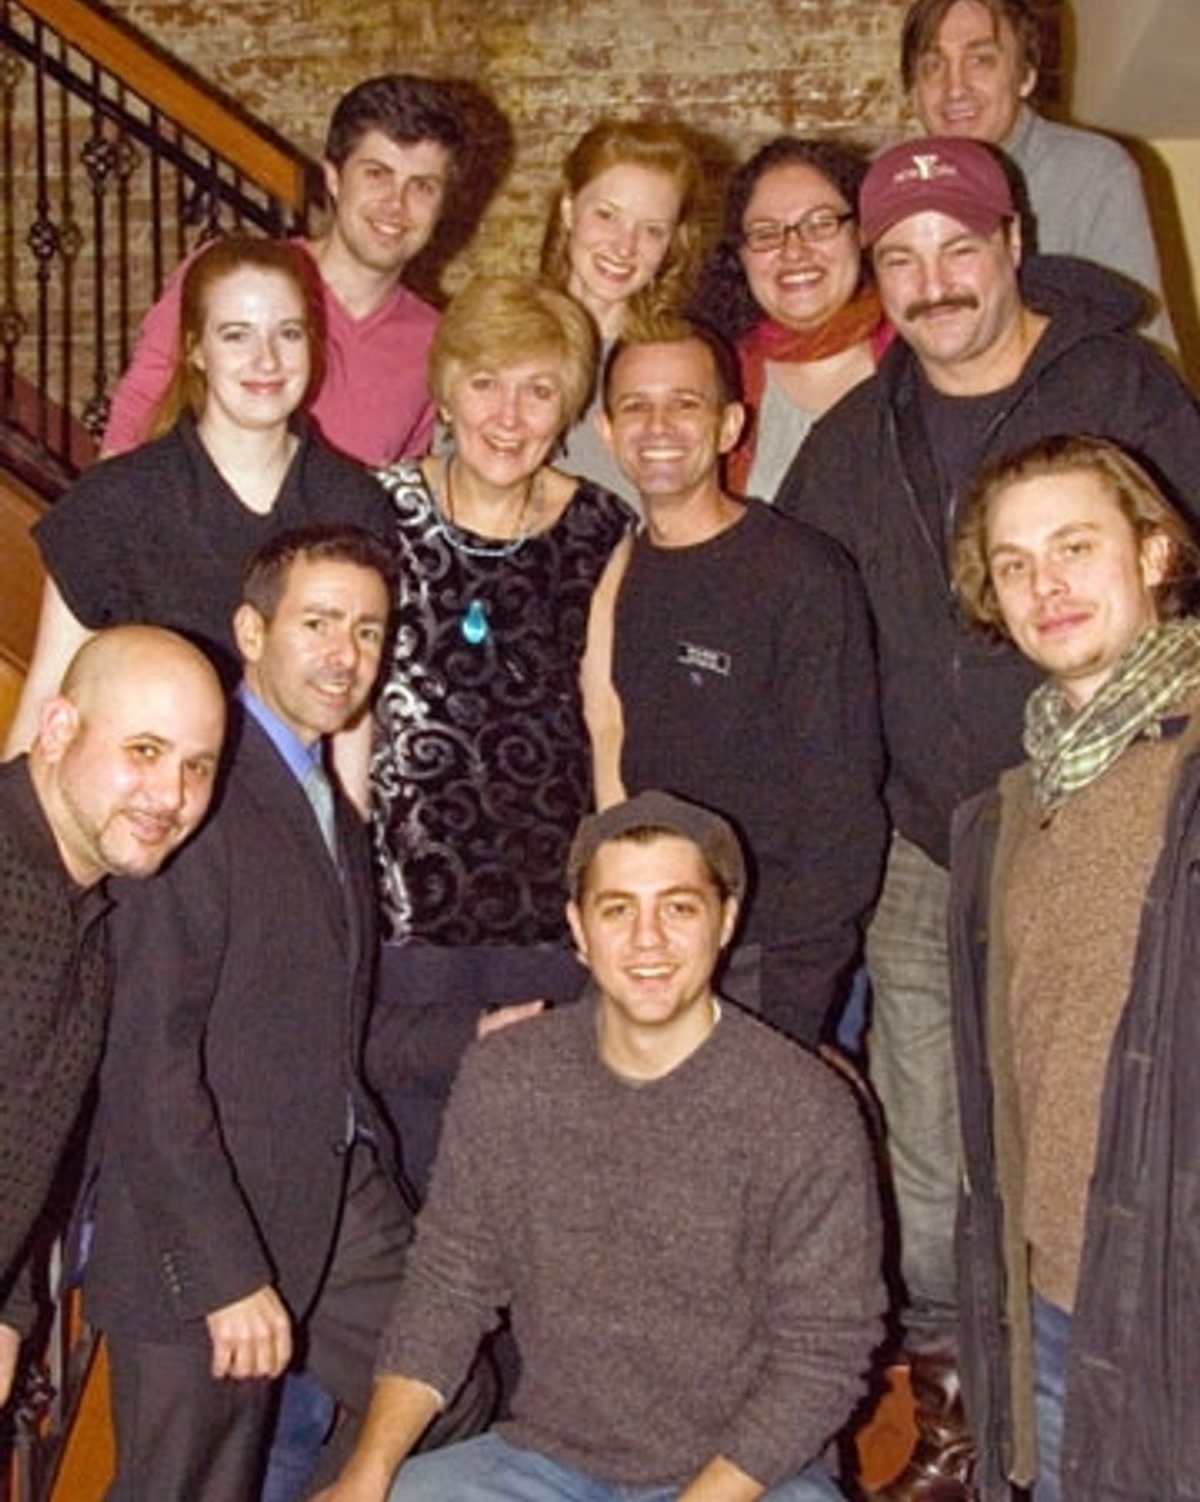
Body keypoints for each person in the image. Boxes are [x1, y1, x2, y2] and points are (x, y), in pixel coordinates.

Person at [775, 135, 1200, 1500]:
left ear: (1013, 239)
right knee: (954, 1146)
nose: (933, 280)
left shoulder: (1122, 386)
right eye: (899, 258)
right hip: (935, 851)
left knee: (1131, 1118)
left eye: (958, 246)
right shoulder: (852, 439)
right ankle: (978, 1414)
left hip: (1125, 808)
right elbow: (801, 636)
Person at [312, 789, 885, 1502]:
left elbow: (823, 1357)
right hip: (547, 1464)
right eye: (618, 910)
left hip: (748, 1477)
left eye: (678, 908)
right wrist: (368, 1475)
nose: (648, 940)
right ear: (578, 930)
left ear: (726, 922)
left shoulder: (802, 1108)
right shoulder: (510, 1076)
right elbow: (448, 1288)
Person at [84, 527, 489, 1502]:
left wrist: (475, 1037)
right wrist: (224, 1273)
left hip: (333, 1191)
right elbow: (148, 1062)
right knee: (185, 1487)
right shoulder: (195, 795)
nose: (344, 652)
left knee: (450, 1392)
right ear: (251, 631)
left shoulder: (324, 806)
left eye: (366, 628)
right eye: (317, 623)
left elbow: (320, 1028)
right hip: (199, 1221)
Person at [949, 435, 1200, 1502]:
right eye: (1014, 564)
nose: (1045, 586)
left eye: (1075, 546)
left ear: (1152, 553)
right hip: (1051, 1297)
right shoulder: (1002, 814)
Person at [367, 275, 633, 1191]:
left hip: (541, 910)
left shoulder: (602, 527)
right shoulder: (375, 512)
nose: (509, 415)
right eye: (486, 383)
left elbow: (606, 717)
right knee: (415, 1177)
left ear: (567, 408)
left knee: (541, 1183)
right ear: (444, 392)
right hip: (403, 913)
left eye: (539, 389)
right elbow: (344, 710)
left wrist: (619, 875)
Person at [593, 317, 887, 1047]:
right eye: (636, 405)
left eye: (685, 404)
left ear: (729, 425)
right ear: (606, 430)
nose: (658, 426)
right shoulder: (620, 571)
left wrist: (793, 998)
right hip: (653, 948)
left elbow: (842, 810)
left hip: (766, 961)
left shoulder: (801, 577)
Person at [5, 235, 391, 759]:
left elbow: (349, 716)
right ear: (194, 348)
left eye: (289, 333)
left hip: (287, 823)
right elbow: (49, 698)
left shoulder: (354, 504)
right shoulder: (114, 504)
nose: (268, 359)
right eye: (236, 335)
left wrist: (342, 836)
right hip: (146, 817)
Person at [0, 625, 225, 1408]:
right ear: (58, 731)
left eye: (197, 767)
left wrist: (12, 1310)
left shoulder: (92, 919)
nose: (170, 797)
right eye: (144, 751)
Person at [100, 73, 468, 465]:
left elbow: (396, 492)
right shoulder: (231, 281)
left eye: (423, 186)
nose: (396, 203)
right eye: (377, 174)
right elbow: (132, 427)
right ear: (334, 178)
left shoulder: (435, 342)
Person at [902, 0, 1172, 344]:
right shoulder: (898, 192)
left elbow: (1146, 349)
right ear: (913, 91)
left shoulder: (1094, 174)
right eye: (933, 65)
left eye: (980, 61)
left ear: (1026, 76)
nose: (954, 87)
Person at [692, 137, 889, 498]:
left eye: (819, 224)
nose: (794, 251)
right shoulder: (718, 379)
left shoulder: (920, 360)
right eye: (766, 234)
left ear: (861, 232)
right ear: (740, 254)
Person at [540, 117, 704, 501]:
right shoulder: (503, 337)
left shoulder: (679, 363)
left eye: (651, 230)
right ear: (568, 210)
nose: (624, 247)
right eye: (607, 215)